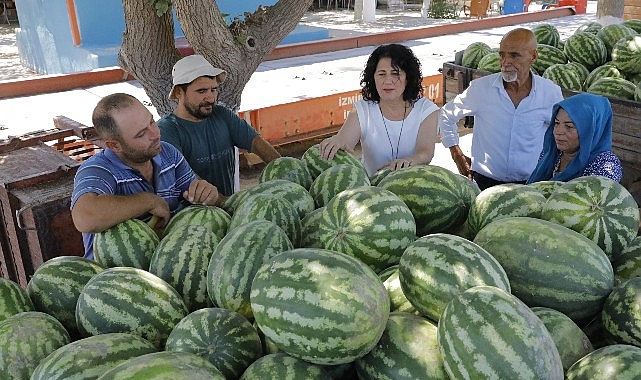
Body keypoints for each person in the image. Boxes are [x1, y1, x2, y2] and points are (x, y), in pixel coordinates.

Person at [71, 93, 220, 259]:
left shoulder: (168, 154)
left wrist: (207, 193)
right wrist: (148, 201)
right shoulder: (98, 169)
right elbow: (85, 217)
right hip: (114, 277)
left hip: (164, 263)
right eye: (141, 134)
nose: (155, 134)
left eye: (151, 122)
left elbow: (199, 195)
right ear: (114, 145)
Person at [439, 28, 564, 190]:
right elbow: (447, 114)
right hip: (484, 183)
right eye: (502, 55)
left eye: (514, 55)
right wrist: (457, 154)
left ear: (533, 56)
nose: (505, 62)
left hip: (531, 185)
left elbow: (561, 134)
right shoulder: (481, 88)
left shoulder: (550, 93)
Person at [157, 54, 281, 197]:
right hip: (194, 214)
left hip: (227, 208)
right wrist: (226, 205)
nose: (210, 98)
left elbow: (256, 142)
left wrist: (284, 167)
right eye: (201, 91)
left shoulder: (222, 115)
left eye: (213, 90)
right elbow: (189, 180)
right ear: (179, 92)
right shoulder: (167, 130)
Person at [319, 43, 440, 177]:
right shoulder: (363, 110)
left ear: (408, 78)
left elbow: (425, 153)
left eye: (395, 74)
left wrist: (408, 162)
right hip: (371, 191)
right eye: (382, 74)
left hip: (412, 185)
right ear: (373, 78)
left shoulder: (427, 110)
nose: (388, 81)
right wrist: (336, 143)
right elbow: (344, 142)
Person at [527, 93, 622, 183]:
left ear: (590, 131)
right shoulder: (551, 152)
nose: (558, 132)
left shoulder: (605, 165)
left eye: (569, 126)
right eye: (556, 123)